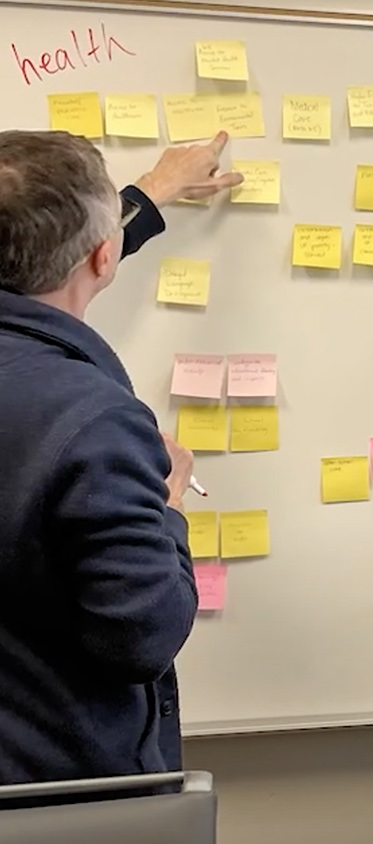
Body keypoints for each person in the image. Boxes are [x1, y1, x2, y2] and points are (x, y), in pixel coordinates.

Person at [0, 129, 238, 787]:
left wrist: (154, 193)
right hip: (60, 794)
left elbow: (46, 260)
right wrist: (166, 507)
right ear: (104, 257)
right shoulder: (93, 418)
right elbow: (142, 635)